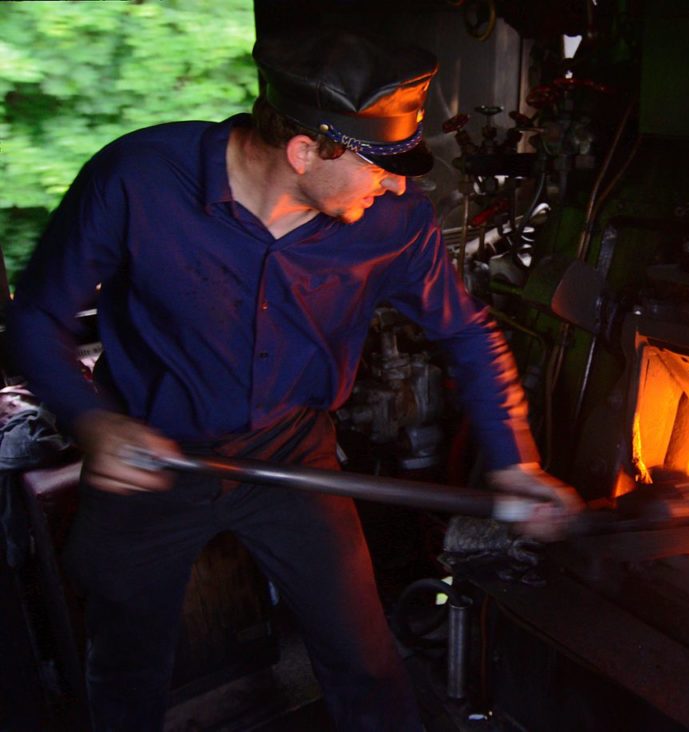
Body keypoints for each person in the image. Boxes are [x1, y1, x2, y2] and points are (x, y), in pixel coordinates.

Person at [7, 29, 582, 731]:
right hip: (149, 453)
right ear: (306, 149)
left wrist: (514, 461)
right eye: (382, 163)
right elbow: (36, 316)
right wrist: (90, 421)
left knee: (365, 661)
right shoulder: (139, 179)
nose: (399, 182)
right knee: (126, 667)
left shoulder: (394, 223)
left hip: (292, 451)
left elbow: (466, 333)